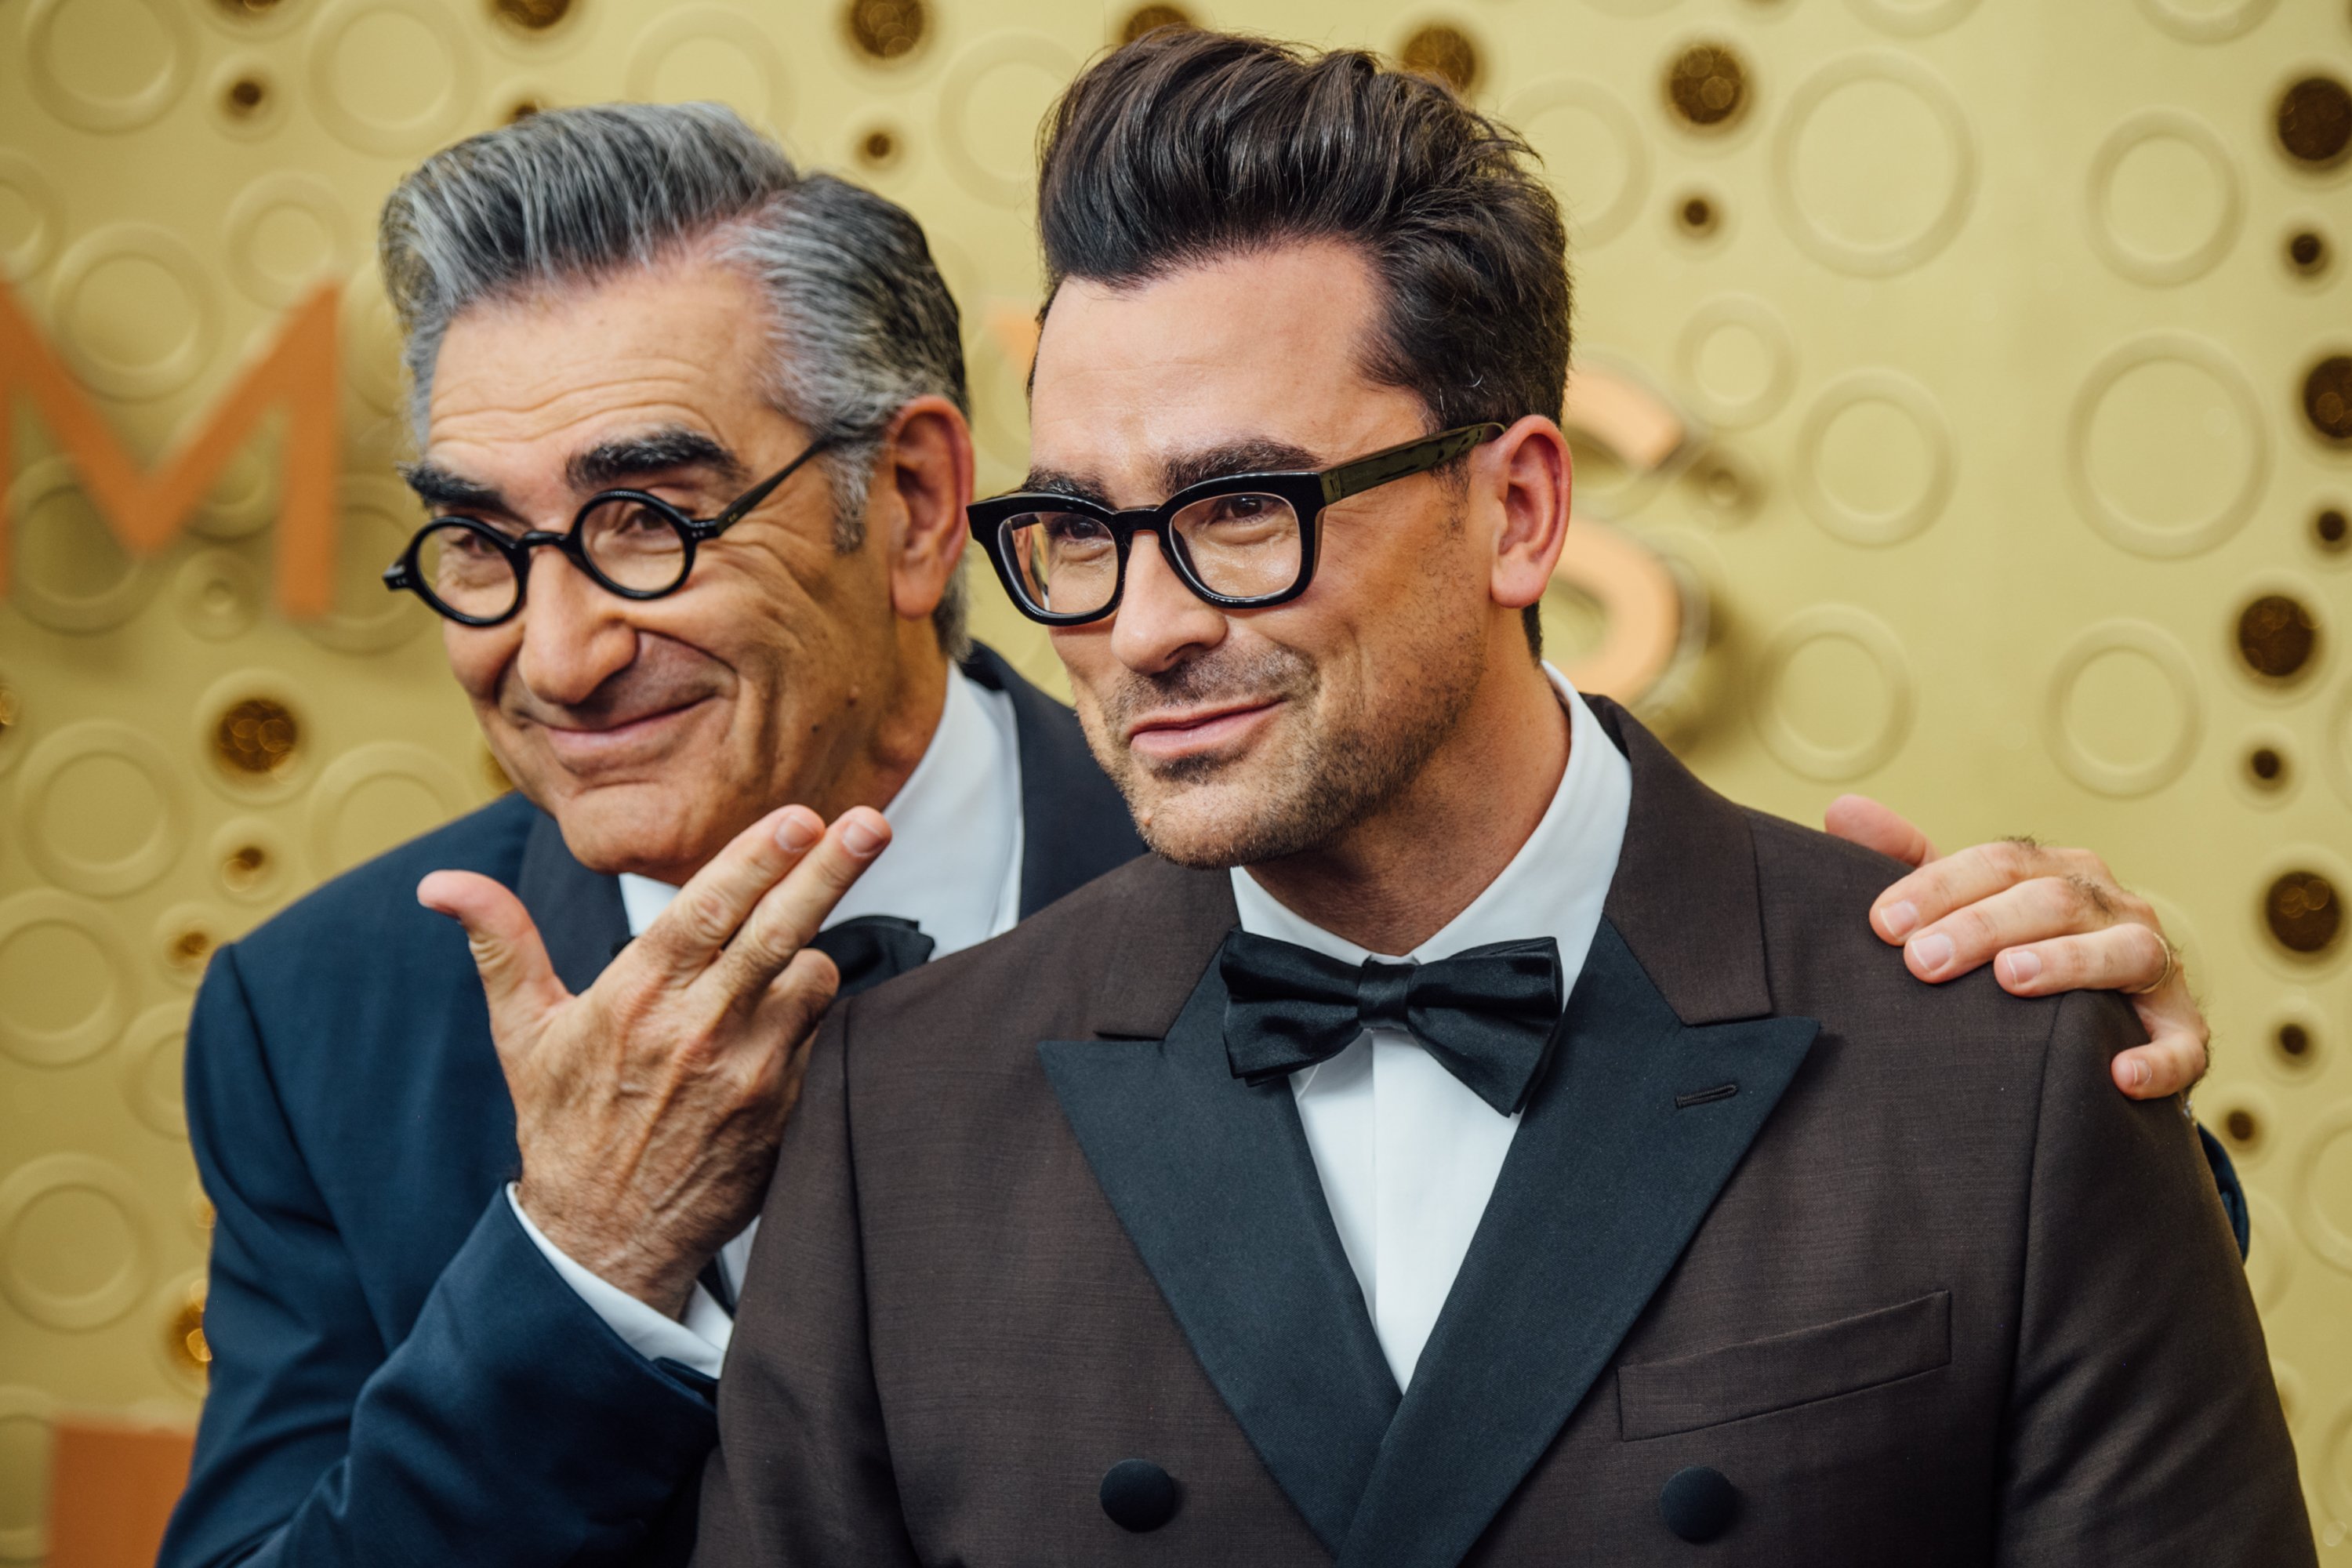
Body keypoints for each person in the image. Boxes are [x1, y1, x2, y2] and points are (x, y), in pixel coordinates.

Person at [695, 34, 2309, 1566]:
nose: (1141, 627)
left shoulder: (2002, 1061)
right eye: (1081, 530)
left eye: (1243, 509)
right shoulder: (891, 1113)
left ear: (1519, 509)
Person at [156, 105, 1150, 1568]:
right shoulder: (314, 1019)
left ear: (917, 504)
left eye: (643, 520)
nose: (554, 658)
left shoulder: (1264, 894)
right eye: (484, 549)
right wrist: (583, 1265)